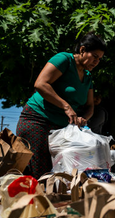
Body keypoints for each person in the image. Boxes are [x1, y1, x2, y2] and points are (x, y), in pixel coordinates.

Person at [15, 32, 106, 178]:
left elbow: (90, 106)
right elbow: (40, 84)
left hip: (62, 130)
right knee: (40, 173)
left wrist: (84, 118)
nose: (96, 62)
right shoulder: (64, 59)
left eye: (100, 59)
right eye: (94, 56)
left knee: (62, 173)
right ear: (82, 50)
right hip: (38, 121)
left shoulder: (88, 77)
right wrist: (66, 106)